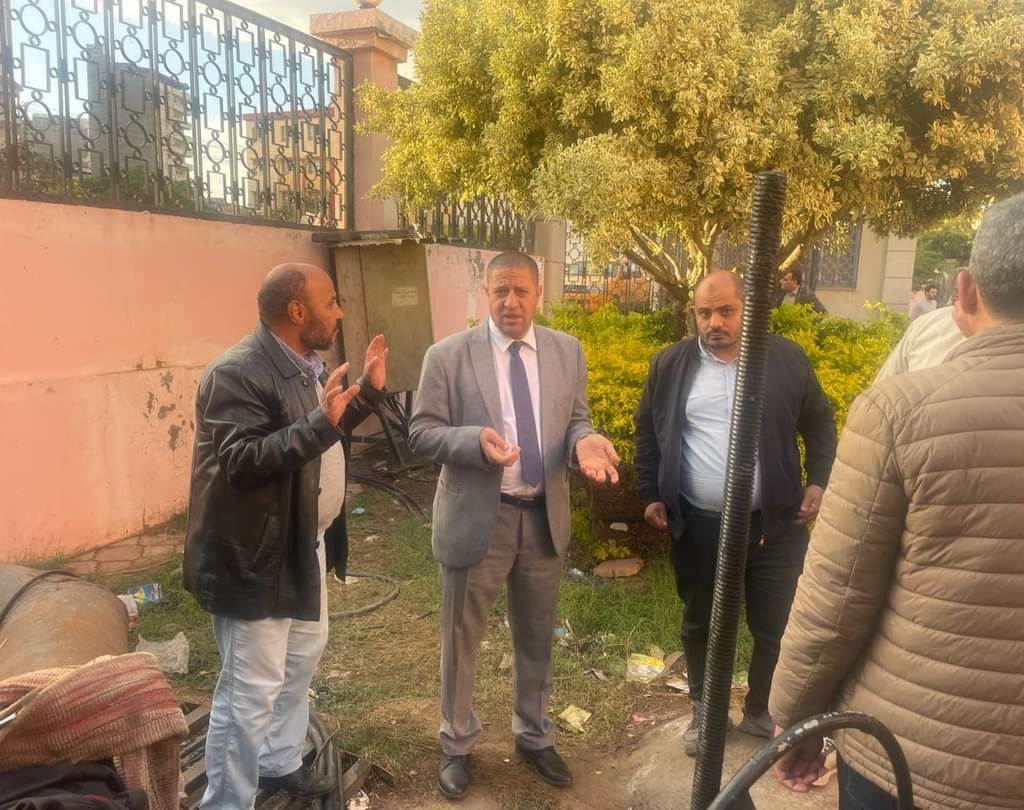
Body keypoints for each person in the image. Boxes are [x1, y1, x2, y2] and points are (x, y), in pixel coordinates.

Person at [770, 192, 1024, 809]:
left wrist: (796, 719)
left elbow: (836, 595)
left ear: (965, 292)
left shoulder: (899, 412)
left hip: (912, 760)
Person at [409, 251, 621, 800]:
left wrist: (584, 442)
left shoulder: (566, 351)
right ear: (486, 292)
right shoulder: (447, 356)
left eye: (521, 291)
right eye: (501, 290)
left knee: (536, 636)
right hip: (478, 517)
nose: (511, 302)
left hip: (543, 519)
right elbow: (422, 432)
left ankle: (534, 734)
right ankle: (457, 744)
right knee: (461, 637)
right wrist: (472, 441)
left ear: (538, 294)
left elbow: (576, 420)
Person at [183, 263, 389, 810]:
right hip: (254, 556)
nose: (339, 312)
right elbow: (242, 460)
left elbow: (320, 427)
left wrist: (367, 394)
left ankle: (278, 761)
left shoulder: (303, 367)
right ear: (297, 311)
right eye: (330, 302)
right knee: (249, 691)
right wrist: (322, 422)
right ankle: (226, 802)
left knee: (299, 661)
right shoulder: (236, 373)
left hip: (302, 543)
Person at [634, 270, 837, 756]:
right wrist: (650, 493)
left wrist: (819, 480)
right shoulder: (671, 365)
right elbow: (648, 432)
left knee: (778, 624)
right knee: (701, 623)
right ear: (694, 314)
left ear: (748, 310)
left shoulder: (785, 359)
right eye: (704, 313)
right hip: (700, 527)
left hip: (776, 525)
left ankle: (763, 710)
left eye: (726, 311)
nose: (715, 323)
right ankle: (707, 712)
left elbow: (819, 422)